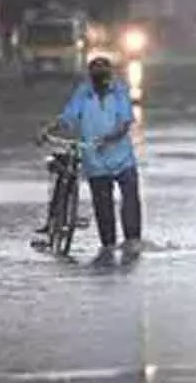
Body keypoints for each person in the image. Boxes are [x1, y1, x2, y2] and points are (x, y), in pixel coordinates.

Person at [46, 56, 142, 262]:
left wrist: (110, 138)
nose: (101, 82)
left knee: (130, 199)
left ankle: (132, 241)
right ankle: (108, 245)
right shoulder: (83, 93)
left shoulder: (119, 92)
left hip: (122, 158)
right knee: (102, 205)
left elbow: (125, 122)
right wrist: (48, 129)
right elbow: (68, 117)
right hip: (95, 160)